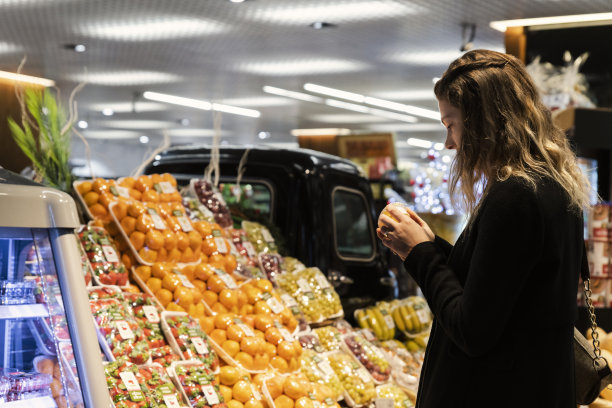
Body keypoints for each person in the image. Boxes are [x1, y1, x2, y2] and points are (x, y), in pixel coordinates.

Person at [377, 49, 592, 407]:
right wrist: (431, 245)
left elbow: (471, 328)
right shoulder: (552, 186)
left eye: (451, 124)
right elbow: (498, 285)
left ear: (482, 123)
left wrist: (419, 254)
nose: (449, 143)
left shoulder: (515, 197)